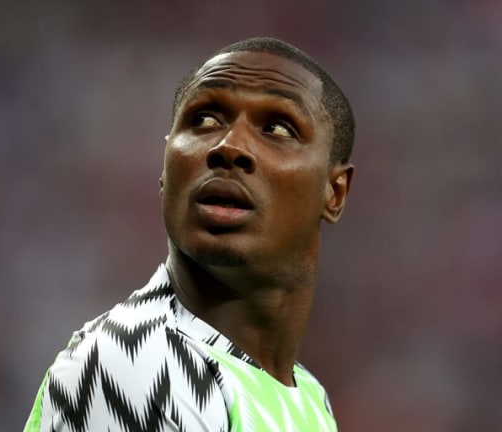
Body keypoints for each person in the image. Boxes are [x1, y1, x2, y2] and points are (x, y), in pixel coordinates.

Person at [24, 36, 355, 432]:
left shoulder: (308, 396)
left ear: (334, 192)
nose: (229, 146)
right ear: (165, 171)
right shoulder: (136, 364)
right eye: (205, 120)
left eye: (277, 128)